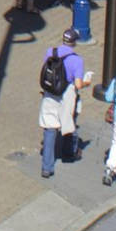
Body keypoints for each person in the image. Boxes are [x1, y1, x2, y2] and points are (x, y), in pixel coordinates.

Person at [39, 27, 89, 177]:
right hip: (66, 94)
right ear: (74, 42)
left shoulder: (50, 52)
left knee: (50, 129)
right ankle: (68, 153)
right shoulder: (77, 60)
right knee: (69, 122)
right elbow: (78, 84)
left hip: (50, 93)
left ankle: (47, 167)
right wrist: (87, 82)